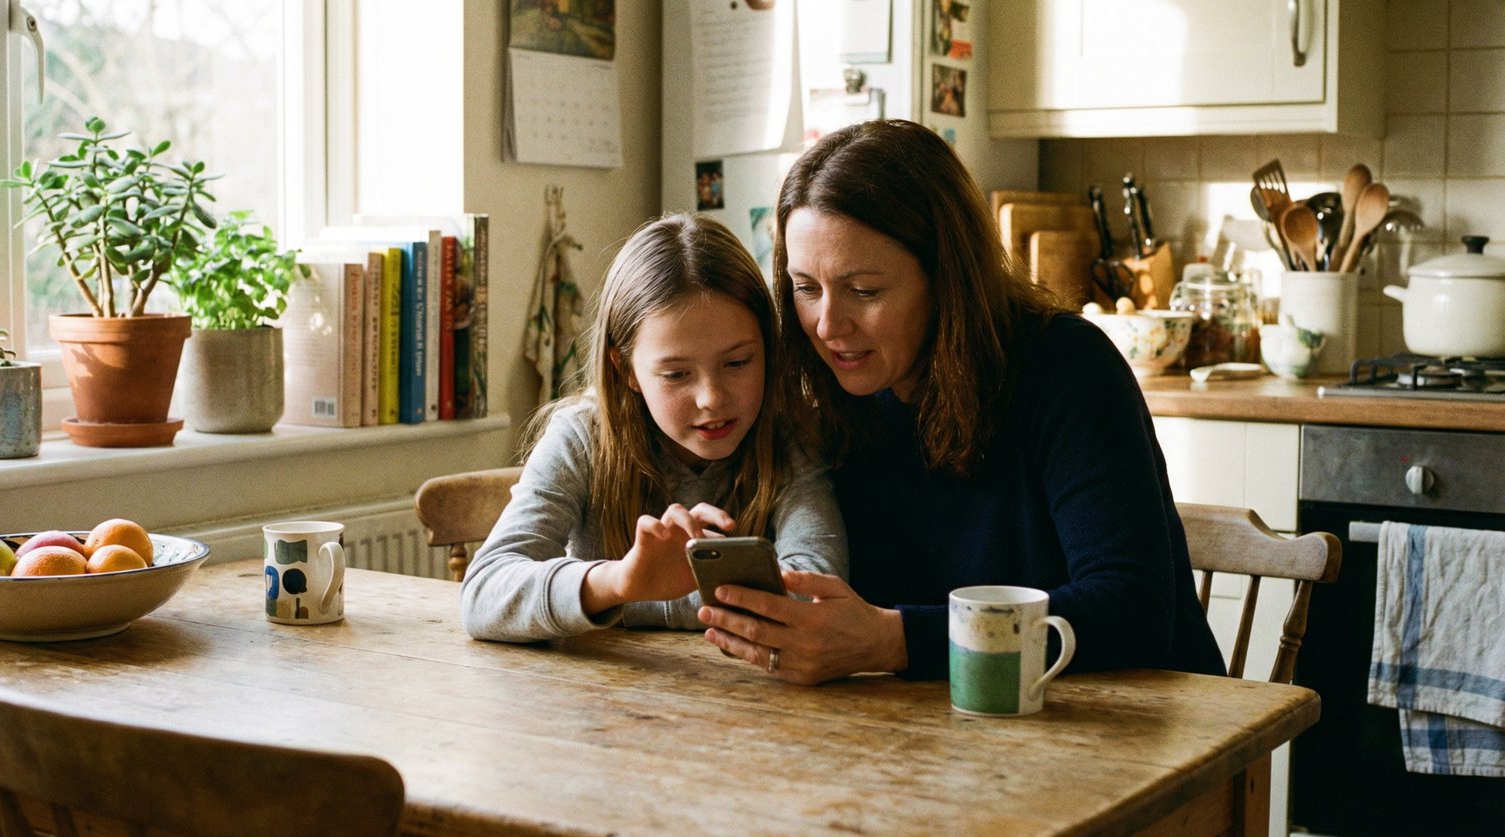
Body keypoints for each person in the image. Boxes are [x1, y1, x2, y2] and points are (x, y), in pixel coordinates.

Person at [697, 120, 1225, 684]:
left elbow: (1133, 612)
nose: (827, 324)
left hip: (1144, 731)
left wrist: (893, 641)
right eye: (806, 288)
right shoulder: (835, 399)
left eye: (865, 291)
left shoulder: (1069, 367)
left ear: (946, 277)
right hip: (951, 733)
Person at [461, 212, 846, 642]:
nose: (712, 398)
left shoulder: (792, 436)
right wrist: (621, 581)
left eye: (738, 363)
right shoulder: (582, 436)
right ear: (624, 369)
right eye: (677, 375)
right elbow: (482, 595)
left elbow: (816, 595)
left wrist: (633, 600)